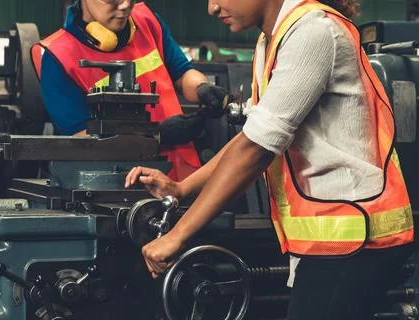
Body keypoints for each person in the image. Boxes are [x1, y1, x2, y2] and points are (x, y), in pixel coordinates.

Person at [125, 0, 415, 319]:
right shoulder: (273, 38)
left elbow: (256, 149)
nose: (211, 8)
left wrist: (177, 236)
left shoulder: (314, 31)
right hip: (334, 240)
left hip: (356, 238)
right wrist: (181, 189)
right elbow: (251, 136)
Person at [31, 0, 229, 181]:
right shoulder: (58, 56)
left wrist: (203, 88)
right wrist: (157, 136)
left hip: (181, 177)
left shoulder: (146, 21)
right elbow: (82, 140)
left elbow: (181, 72)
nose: (125, 5)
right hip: (119, 184)